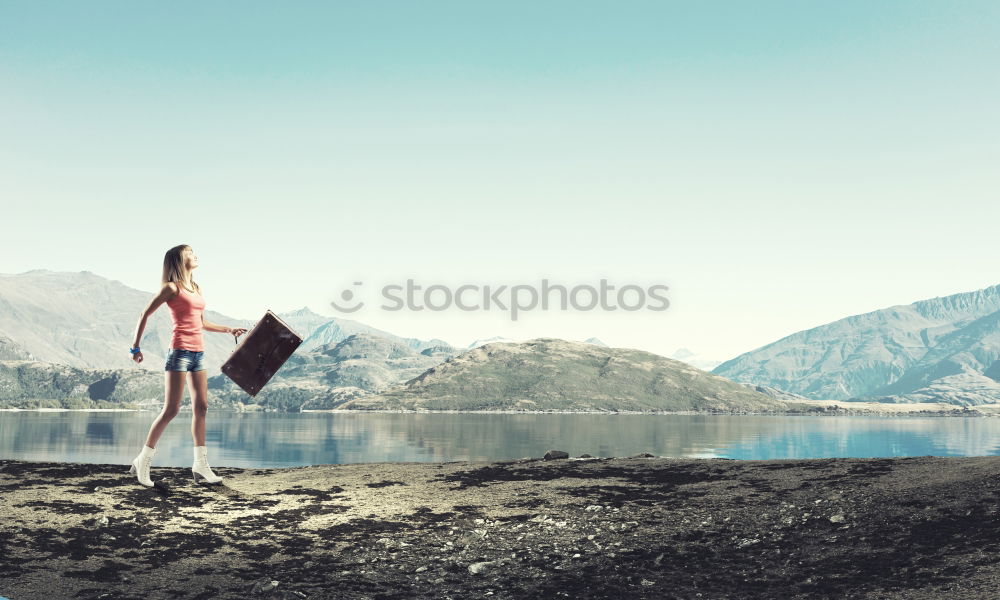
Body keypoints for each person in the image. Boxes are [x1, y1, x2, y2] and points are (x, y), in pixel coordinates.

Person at [127, 244, 247, 487]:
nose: (195, 255)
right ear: (179, 260)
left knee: (201, 407)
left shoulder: (196, 288)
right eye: (190, 253)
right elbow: (144, 314)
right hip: (179, 353)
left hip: (198, 354)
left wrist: (228, 329)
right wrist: (135, 348)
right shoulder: (172, 288)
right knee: (171, 409)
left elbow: (201, 322)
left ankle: (201, 466)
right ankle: (144, 461)